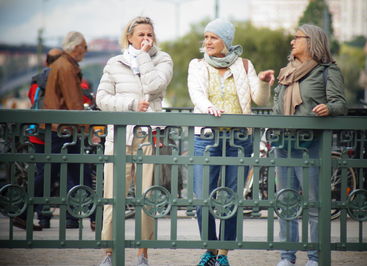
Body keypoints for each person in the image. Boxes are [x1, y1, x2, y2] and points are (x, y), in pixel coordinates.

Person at [187, 18, 274, 266]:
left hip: (239, 139)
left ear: (226, 39)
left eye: (213, 37)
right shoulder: (198, 65)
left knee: (232, 197)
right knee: (202, 197)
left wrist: (265, 84)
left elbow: (259, 99)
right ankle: (210, 249)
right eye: (205, 38)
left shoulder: (244, 65)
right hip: (206, 137)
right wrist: (209, 108)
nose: (207, 42)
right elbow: (197, 93)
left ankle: (223, 254)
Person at [96, 16, 173, 266]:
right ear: (129, 37)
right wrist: (129, 104)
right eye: (140, 35)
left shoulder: (162, 59)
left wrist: (143, 56)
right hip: (119, 137)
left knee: (147, 198)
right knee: (112, 197)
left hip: (148, 136)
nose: (146, 39)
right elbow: (102, 99)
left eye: (149, 34)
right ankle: (109, 254)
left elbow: (155, 83)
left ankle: (143, 255)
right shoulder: (114, 63)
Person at [272, 24, 347, 266]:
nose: (292, 42)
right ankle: (287, 257)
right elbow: (276, 105)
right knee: (286, 202)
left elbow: (340, 104)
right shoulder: (286, 71)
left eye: (297, 38)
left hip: (311, 144)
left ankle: (315, 257)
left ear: (311, 41)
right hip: (283, 143)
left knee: (314, 204)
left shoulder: (327, 71)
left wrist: (330, 108)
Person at [12, 48, 63, 231]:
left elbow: (31, 101)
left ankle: (40, 217)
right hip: (55, 133)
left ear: (45, 62)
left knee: (43, 174)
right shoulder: (59, 80)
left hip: (36, 133)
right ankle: (31, 214)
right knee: (47, 176)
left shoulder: (35, 82)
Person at [43, 31, 88, 229]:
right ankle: (85, 216)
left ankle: (68, 216)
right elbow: (73, 101)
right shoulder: (67, 67)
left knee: (52, 172)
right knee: (78, 170)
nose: (85, 52)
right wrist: (86, 127)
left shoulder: (59, 64)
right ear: (76, 47)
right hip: (65, 127)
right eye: (84, 47)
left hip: (57, 125)